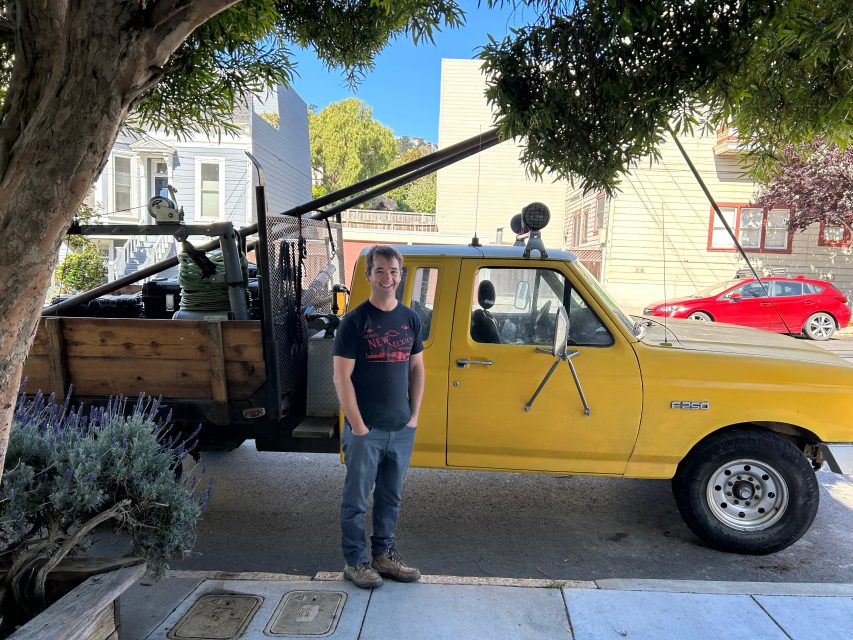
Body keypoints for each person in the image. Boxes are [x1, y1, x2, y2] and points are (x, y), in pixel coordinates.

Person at [332, 245, 425, 589]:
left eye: (394, 271)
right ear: (370, 275)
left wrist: (413, 415)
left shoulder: (411, 319)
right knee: (356, 499)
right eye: (381, 271)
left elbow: (417, 368)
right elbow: (341, 377)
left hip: (401, 427)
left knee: (390, 497)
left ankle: (383, 557)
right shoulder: (355, 321)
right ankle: (355, 562)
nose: (388, 278)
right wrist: (357, 425)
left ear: (401, 276)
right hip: (365, 430)